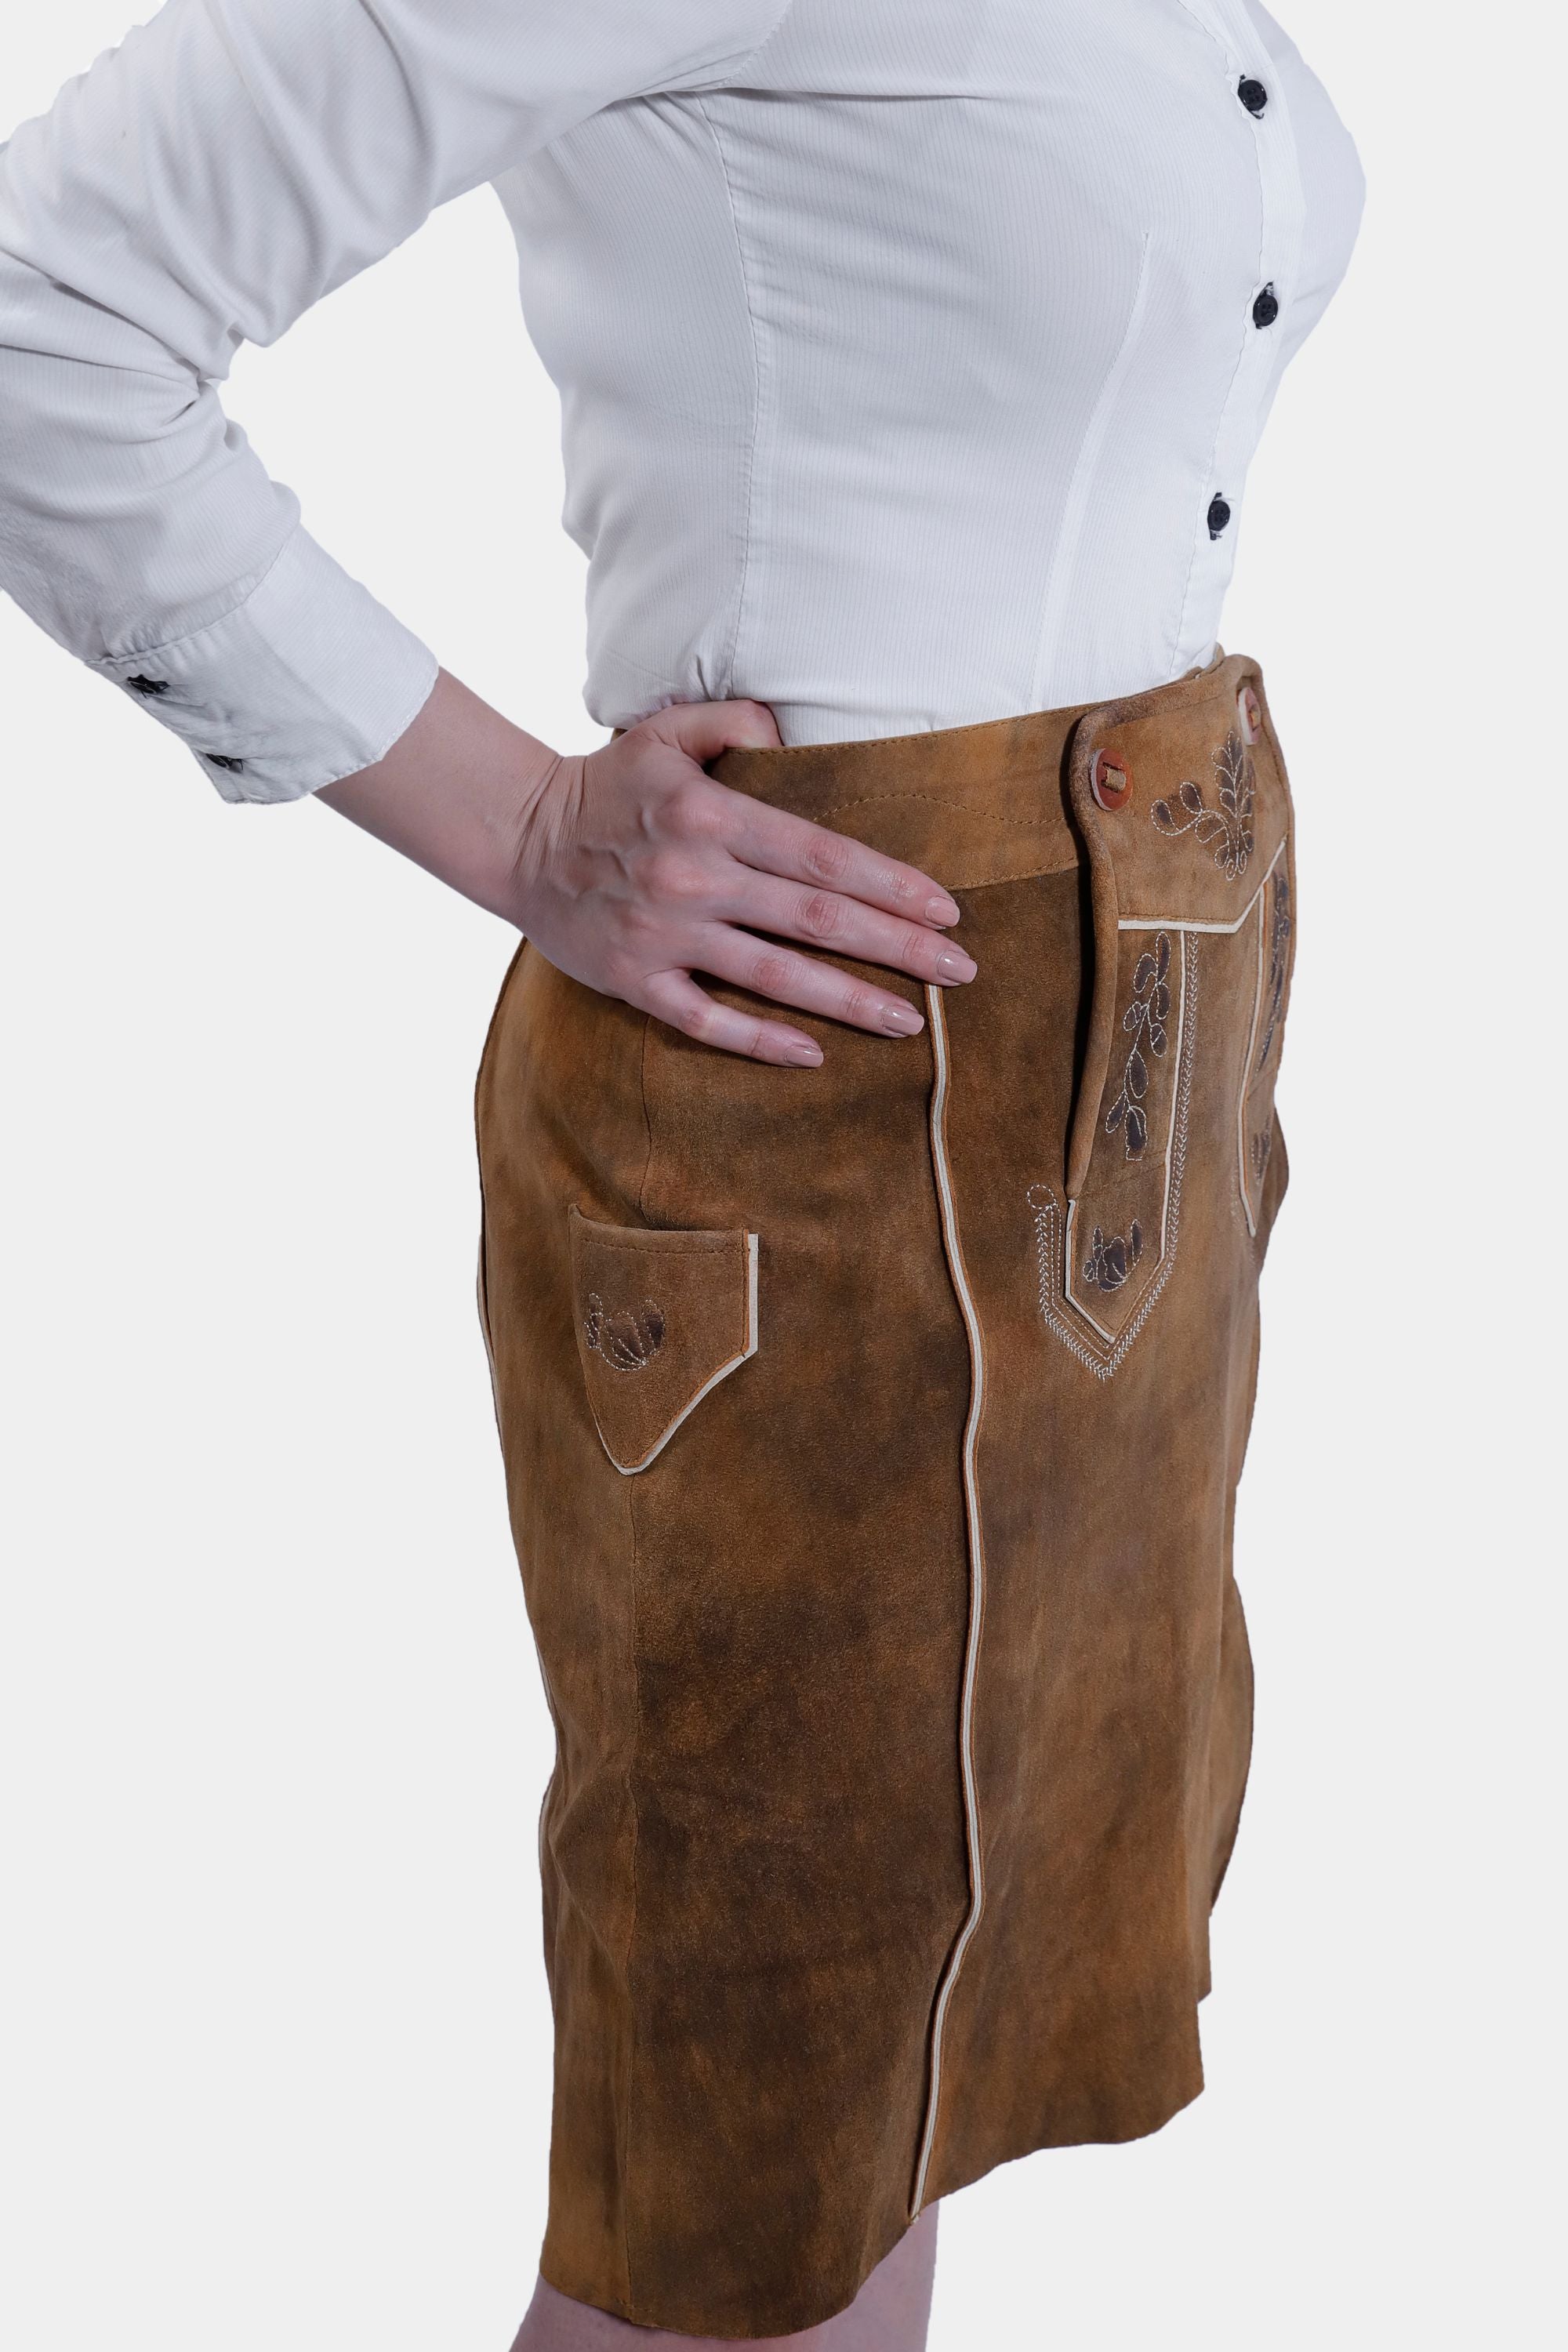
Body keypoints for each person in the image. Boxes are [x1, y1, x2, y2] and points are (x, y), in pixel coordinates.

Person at [0, 4, 1363, 2345]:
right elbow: (40, 300)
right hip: (818, 1105)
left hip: (1127, 1050)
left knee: (885, 2107)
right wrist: (517, 822)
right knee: (734, 2187)